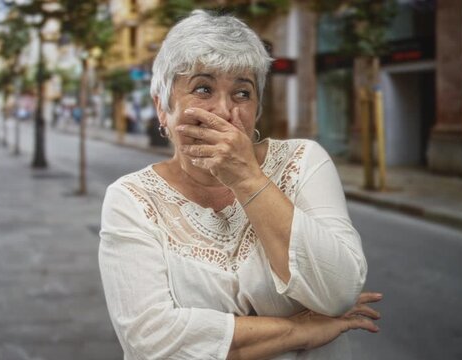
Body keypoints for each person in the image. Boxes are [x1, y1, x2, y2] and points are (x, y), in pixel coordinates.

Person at [99, 10, 382, 360]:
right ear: (162, 109)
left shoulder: (304, 162)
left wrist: (246, 178)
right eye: (203, 88)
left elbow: (338, 292)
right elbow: (151, 339)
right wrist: (302, 330)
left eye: (242, 93)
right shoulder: (131, 198)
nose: (224, 109)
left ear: (257, 110)